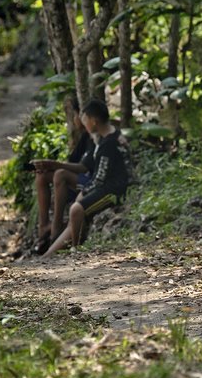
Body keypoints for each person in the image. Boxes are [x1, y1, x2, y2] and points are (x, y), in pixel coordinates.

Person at [41, 99, 133, 259]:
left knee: (76, 209)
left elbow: (100, 179)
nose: (84, 126)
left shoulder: (108, 145)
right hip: (108, 184)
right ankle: (50, 254)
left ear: (94, 121)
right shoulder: (111, 136)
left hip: (115, 190)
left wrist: (84, 192)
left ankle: (76, 250)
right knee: (76, 208)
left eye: (86, 121)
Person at [31, 95, 93, 254]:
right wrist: (47, 166)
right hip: (80, 179)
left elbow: (83, 168)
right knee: (42, 175)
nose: (74, 119)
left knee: (60, 174)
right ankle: (43, 226)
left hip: (90, 182)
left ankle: (56, 228)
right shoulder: (85, 137)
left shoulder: (94, 137)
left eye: (75, 114)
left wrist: (54, 164)